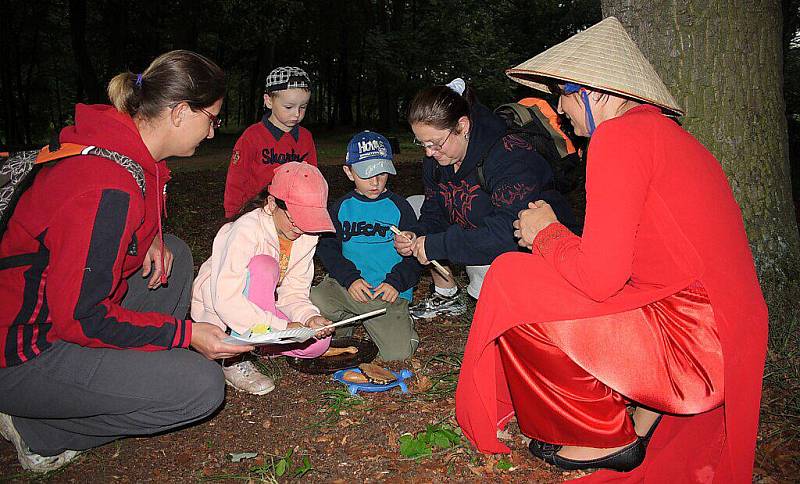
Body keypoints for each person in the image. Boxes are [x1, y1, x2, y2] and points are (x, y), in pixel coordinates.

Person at [454, 17, 768, 482]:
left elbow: (601, 280)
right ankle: (639, 422)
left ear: (596, 91)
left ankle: (604, 434)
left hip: (695, 345)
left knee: (510, 278)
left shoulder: (619, 139)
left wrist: (545, 233)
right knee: (542, 274)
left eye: (563, 91)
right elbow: (640, 263)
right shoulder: (663, 136)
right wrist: (557, 240)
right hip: (723, 339)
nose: (559, 109)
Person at [0, 50, 253, 473]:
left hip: (54, 312)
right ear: (178, 113)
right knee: (199, 388)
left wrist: (150, 237)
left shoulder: (122, 144)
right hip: (24, 352)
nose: (212, 134)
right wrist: (185, 334)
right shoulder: (103, 189)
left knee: (176, 254)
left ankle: (122, 376)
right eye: (212, 118)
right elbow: (83, 319)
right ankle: (36, 432)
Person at [395, 78, 576, 319]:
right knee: (413, 204)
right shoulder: (436, 161)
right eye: (422, 143)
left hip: (528, 248)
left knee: (496, 291)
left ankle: (515, 302)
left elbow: (508, 232)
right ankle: (446, 295)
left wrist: (437, 245)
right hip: (478, 232)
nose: (429, 152)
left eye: (435, 143)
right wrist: (416, 235)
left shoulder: (510, 155)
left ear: (463, 126)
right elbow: (433, 212)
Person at [192, 162, 335, 395]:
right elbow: (225, 298)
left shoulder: (306, 235)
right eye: (294, 217)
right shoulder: (245, 230)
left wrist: (309, 318)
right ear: (271, 204)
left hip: (261, 308)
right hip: (222, 312)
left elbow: (294, 292)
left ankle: (260, 344)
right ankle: (234, 358)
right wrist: (284, 327)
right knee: (263, 266)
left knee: (319, 344)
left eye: (308, 218)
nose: (300, 227)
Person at [312, 131, 422, 361]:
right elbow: (327, 248)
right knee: (316, 300)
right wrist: (349, 278)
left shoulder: (399, 207)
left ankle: (400, 322)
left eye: (382, 173)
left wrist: (396, 282)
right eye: (366, 174)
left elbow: (415, 256)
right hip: (349, 286)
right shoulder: (342, 207)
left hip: (386, 293)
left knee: (397, 355)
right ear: (348, 172)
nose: (375, 182)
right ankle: (343, 328)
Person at [223, 66, 318, 218]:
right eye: (288, 107)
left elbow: (312, 178)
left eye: (303, 107)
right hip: (255, 213)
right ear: (268, 101)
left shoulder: (305, 138)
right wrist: (232, 215)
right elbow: (236, 179)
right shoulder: (252, 136)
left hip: (293, 214)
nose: (296, 113)